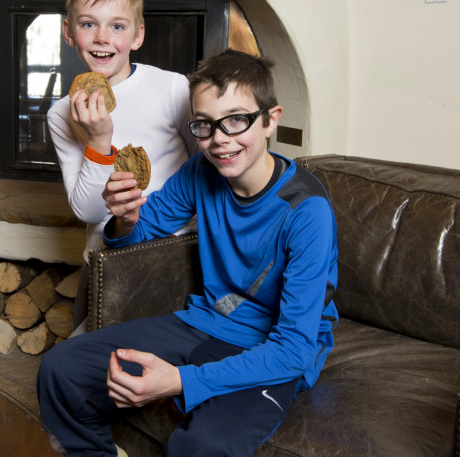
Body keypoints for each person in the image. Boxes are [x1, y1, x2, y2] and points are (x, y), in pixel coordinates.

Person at [37, 49, 339, 456]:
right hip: (207, 321)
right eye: (204, 125)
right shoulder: (202, 171)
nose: (219, 140)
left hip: (272, 349)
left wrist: (179, 380)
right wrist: (125, 218)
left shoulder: (307, 211)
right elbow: (140, 232)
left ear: (270, 120)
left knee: (204, 446)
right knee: (61, 369)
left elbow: (294, 348)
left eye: (237, 120)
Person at [47, 0, 198, 332]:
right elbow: (88, 209)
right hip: (106, 260)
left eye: (117, 26)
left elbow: (206, 169)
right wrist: (99, 139)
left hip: (175, 255)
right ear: (69, 33)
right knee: (83, 365)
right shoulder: (61, 113)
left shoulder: (173, 88)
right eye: (88, 24)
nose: (102, 38)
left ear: (138, 35)